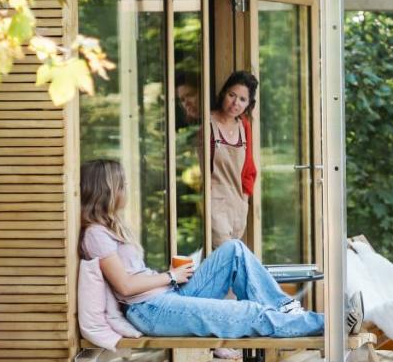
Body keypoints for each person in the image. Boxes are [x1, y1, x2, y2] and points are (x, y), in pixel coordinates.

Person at [78, 159, 322, 339]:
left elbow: (133, 276)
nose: (127, 190)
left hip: (167, 297)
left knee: (234, 250)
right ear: (108, 191)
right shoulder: (95, 234)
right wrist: (171, 276)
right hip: (150, 311)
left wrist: (169, 278)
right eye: (123, 185)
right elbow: (125, 286)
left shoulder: (110, 228)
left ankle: (283, 308)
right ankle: (327, 323)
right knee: (249, 310)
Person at [209, 71, 259, 246]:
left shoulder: (244, 126)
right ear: (224, 93)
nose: (235, 103)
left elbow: (250, 169)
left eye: (242, 99)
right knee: (226, 256)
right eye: (232, 95)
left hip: (238, 206)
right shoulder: (208, 123)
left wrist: (244, 201)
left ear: (248, 104)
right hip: (214, 203)